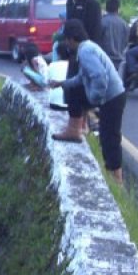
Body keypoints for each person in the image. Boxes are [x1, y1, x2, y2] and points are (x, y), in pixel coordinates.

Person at [50, 19, 126, 183]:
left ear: (71, 39)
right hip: (111, 97)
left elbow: (99, 77)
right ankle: (112, 174)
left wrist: (95, 100)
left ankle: (117, 181)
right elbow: (81, 78)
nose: (65, 44)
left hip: (112, 98)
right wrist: (62, 84)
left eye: (65, 39)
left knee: (109, 137)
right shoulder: (86, 48)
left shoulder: (85, 52)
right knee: (107, 136)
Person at [57, 0, 102, 137]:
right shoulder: (70, 2)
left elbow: (95, 32)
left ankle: (82, 126)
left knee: (83, 88)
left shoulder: (93, 5)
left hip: (87, 50)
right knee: (72, 87)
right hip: (73, 50)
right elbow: (69, 26)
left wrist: (87, 53)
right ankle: (76, 125)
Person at [100, 0, 129, 69]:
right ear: (118, 9)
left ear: (106, 8)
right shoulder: (124, 24)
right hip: (119, 62)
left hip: (104, 60)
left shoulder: (101, 22)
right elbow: (126, 42)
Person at [48, 42, 70, 110]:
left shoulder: (52, 65)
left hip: (53, 104)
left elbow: (47, 82)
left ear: (58, 54)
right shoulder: (75, 66)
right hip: (71, 105)